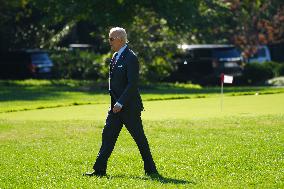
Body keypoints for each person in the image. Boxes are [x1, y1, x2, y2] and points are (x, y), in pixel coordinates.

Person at [84, 27, 158, 177]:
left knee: (139, 138)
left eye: (111, 39)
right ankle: (99, 170)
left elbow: (132, 84)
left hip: (129, 108)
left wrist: (121, 103)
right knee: (107, 136)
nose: (109, 42)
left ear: (120, 39)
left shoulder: (131, 58)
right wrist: (115, 104)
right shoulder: (115, 56)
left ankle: (151, 170)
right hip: (115, 108)